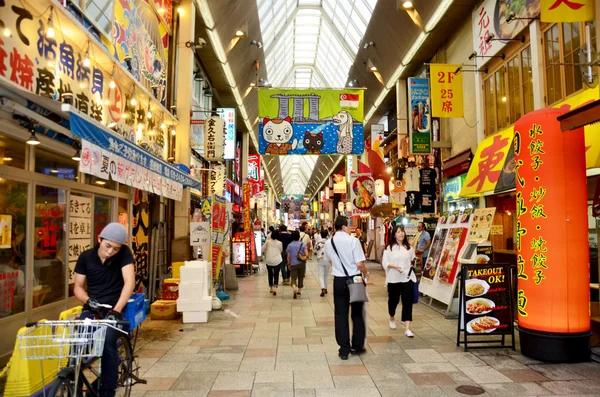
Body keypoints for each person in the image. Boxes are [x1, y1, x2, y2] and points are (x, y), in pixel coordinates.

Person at [73, 223, 135, 397]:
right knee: (75, 341)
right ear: (99, 239)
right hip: (92, 309)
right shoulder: (86, 257)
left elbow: (129, 283)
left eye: (115, 248)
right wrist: (87, 300)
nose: (110, 252)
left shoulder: (123, 254)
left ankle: (107, 391)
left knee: (107, 339)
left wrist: (116, 310)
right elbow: (77, 287)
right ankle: (74, 386)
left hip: (115, 310)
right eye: (108, 246)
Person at [325, 216, 368, 360]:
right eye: (348, 226)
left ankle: (344, 349)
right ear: (344, 227)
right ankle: (357, 345)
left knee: (340, 315)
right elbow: (360, 264)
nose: (350, 229)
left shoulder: (329, 242)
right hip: (354, 279)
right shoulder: (353, 241)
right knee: (356, 313)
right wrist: (366, 273)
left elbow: (330, 260)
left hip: (338, 280)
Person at [382, 225, 417, 337]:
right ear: (394, 234)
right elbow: (385, 263)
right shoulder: (389, 248)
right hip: (394, 278)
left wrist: (413, 264)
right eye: (398, 232)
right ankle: (392, 316)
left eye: (402, 232)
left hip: (407, 278)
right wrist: (394, 266)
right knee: (393, 301)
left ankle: (407, 328)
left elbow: (413, 261)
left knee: (408, 302)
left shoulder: (409, 248)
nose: (401, 234)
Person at [286, 230, 308, 299]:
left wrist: (288, 264)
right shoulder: (302, 244)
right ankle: (299, 291)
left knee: (293, 277)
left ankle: (294, 287)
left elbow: (288, 256)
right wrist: (303, 256)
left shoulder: (290, 245)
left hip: (293, 263)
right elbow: (306, 254)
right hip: (302, 263)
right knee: (301, 277)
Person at [262, 230, 283, 295]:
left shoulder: (267, 242)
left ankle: (271, 287)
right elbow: (281, 250)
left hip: (269, 260)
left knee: (270, 274)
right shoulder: (279, 243)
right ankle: (275, 287)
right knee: (276, 274)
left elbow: (262, 249)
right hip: (277, 260)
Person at [314, 230, 330, 297]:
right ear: (327, 235)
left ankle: (322, 288)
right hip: (328, 259)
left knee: (321, 274)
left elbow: (314, 250)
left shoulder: (318, 242)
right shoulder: (329, 242)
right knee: (326, 275)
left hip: (320, 259)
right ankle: (326, 288)